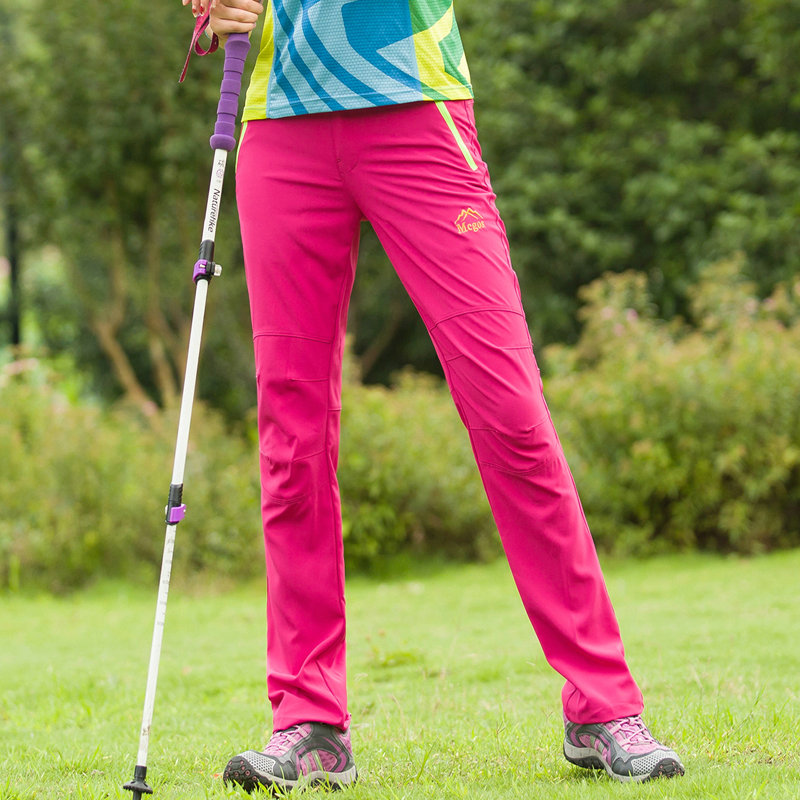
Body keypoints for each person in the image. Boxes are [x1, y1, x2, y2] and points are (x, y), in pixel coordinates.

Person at [181, 0, 685, 790]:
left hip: (413, 104)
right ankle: (308, 719)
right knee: (292, 436)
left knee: (510, 412)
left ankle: (601, 707)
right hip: (281, 119)